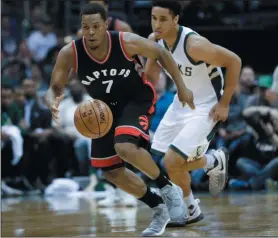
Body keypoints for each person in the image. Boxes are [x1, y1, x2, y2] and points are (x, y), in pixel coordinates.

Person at [46, 3, 195, 236]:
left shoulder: (124, 41)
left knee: (125, 146)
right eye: (86, 27)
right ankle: (158, 207)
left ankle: (168, 188)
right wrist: (52, 98)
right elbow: (55, 85)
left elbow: (161, 53)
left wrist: (182, 87)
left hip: (136, 99)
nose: (91, 32)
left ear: (106, 25)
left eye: (96, 26)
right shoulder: (70, 52)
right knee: (110, 172)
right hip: (104, 110)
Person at [145, 1, 241, 226]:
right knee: (163, 161)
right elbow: (152, 78)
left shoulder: (194, 45)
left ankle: (211, 161)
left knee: (173, 160)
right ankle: (193, 207)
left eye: (163, 19)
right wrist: (150, 52)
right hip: (182, 101)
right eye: (153, 18)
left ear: (176, 20)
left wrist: (225, 103)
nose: (156, 24)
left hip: (206, 105)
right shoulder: (156, 40)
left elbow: (234, 61)